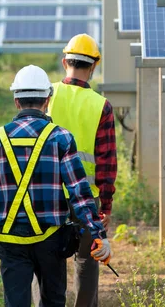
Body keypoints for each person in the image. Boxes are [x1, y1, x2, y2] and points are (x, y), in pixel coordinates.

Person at [0, 65, 111, 307]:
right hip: (51, 239)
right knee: (52, 301)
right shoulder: (60, 138)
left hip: (11, 241)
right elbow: (79, 193)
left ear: (16, 101)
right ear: (47, 100)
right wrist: (97, 233)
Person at [48, 34, 118, 307]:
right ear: (94, 67)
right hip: (86, 198)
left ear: (65, 61)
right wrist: (106, 207)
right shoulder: (101, 106)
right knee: (87, 260)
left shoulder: (47, 95)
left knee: (47, 259)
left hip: (47, 194)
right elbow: (107, 161)